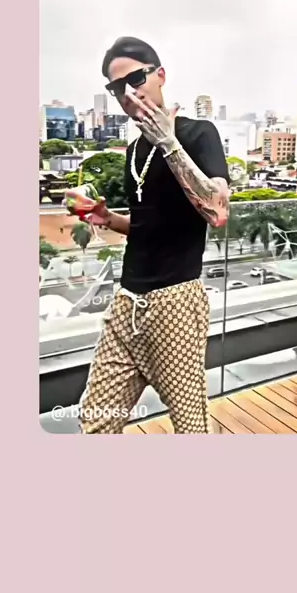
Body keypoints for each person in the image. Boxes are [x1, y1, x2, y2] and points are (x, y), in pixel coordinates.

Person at [66, 36, 230, 434]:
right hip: (127, 302)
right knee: (96, 421)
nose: (128, 93)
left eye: (135, 79)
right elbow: (145, 227)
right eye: (116, 87)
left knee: (190, 427)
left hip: (175, 303)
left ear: (160, 75)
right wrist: (107, 218)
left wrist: (169, 143)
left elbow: (217, 211)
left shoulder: (198, 134)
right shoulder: (134, 151)